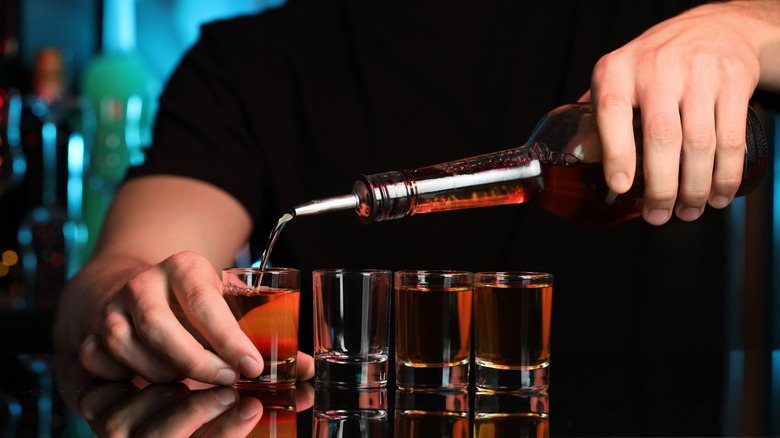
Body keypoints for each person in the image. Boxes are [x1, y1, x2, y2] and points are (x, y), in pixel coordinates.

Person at [54, 0, 780, 425]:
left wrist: (743, 28)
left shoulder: (641, 18)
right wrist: (126, 303)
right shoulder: (248, 63)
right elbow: (122, 271)